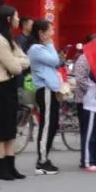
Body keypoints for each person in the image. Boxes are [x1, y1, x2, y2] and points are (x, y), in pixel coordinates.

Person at [0, 5, 30, 181]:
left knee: (11, 128)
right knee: (0, 130)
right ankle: (1, 168)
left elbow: (25, 60)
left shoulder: (10, 39)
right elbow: (15, 66)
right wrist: (17, 63)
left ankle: (11, 166)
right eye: (16, 17)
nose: (18, 20)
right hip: (0, 87)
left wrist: (17, 62)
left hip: (10, 85)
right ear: (8, 19)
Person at [27, 19, 62, 175]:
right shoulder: (36, 48)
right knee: (47, 125)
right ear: (41, 33)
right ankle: (41, 162)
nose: (52, 33)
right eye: (50, 30)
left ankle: (44, 158)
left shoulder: (43, 47)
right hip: (45, 90)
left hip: (51, 90)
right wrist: (50, 43)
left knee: (53, 124)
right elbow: (55, 61)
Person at [72, 36, 94, 169]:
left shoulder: (95, 58)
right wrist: (94, 89)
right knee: (86, 130)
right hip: (84, 100)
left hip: (94, 100)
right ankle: (85, 159)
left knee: (93, 131)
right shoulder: (83, 59)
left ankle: (92, 157)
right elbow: (80, 79)